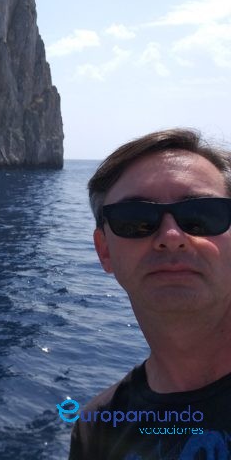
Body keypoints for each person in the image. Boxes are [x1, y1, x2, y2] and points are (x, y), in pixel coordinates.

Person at [68, 128, 231, 459]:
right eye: (136, 220)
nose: (171, 236)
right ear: (105, 251)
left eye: (201, 215)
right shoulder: (98, 429)